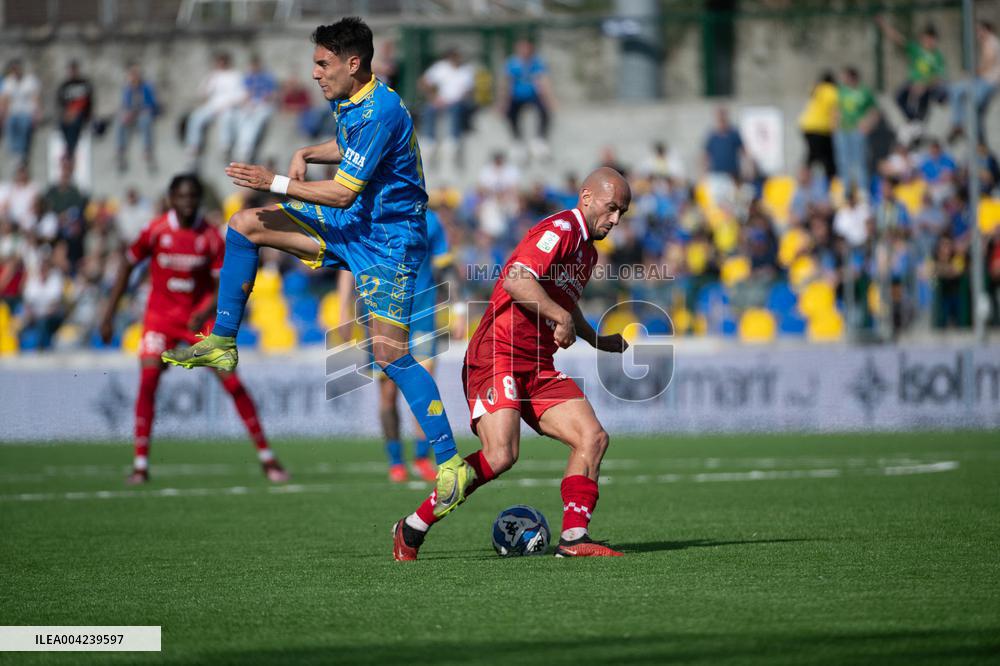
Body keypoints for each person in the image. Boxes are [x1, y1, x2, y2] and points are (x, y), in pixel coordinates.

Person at [160, 18, 475, 516]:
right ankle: (222, 341)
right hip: (353, 223)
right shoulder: (355, 101)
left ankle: (450, 461)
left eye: (322, 63)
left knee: (392, 357)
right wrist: (308, 150)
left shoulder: (381, 110)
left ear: (353, 63)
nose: (314, 74)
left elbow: (344, 188)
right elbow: (349, 154)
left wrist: (277, 180)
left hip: (389, 242)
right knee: (245, 225)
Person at [392, 167, 631, 561]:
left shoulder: (587, 250)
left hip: (538, 364)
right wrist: (560, 318)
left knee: (593, 438)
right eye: (611, 208)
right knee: (501, 453)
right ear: (586, 197)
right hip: (498, 352)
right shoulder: (561, 230)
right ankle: (412, 526)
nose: (615, 220)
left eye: (622, 212)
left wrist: (595, 338)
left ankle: (574, 537)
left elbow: (565, 303)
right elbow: (517, 280)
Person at [99, 174, 289, 485]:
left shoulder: (211, 237)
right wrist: (108, 313)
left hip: (198, 322)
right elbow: (127, 263)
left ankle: (268, 459)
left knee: (232, 383)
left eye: (192, 197)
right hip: (160, 320)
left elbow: (223, 283)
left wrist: (204, 310)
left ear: (198, 200)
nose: (186, 202)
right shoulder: (156, 230)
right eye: (181, 197)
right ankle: (140, 464)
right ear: (171, 199)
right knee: (148, 379)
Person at [337, 208, 452, 483]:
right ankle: (396, 460)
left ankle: (423, 457)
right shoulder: (368, 214)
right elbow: (348, 263)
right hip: (381, 316)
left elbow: (445, 265)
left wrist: (457, 309)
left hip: (422, 315)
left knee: (424, 382)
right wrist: (342, 309)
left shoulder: (431, 219)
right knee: (388, 393)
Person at [875, 17, 947, 135]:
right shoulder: (917, 50)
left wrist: (924, 84)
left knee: (922, 99)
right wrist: (884, 26)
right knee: (899, 97)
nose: (928, 42)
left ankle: (919, 123)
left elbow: (939, 76)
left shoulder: (937, 56)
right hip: (913, 82)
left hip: (927, 85)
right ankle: (912, 121)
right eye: (926, 39)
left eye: (931, 39)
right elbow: (899, 39)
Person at [498, 39, 555, 162]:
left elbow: (542, 81)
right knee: (510, 113)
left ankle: (540, 139)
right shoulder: (512, 63)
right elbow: (507, 83)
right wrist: (502, 102)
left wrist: (549, 99)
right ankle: (517, 141)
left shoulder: (537, 62)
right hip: (517, 97)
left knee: (544, 111)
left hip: (533, 95)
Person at [185, 52, 246, 166]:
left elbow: (241, 95)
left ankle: (225, 147)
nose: (220, 64)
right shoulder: (213, 76)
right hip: (213, 106)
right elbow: (202, 93)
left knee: (227, 118)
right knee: (196, 117)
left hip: (229, 106)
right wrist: (209, 80)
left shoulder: (236, 75)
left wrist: (228, 104)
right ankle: (193, 146)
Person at [419, 48, 475, 162]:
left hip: (458, 103)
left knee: (456, 109)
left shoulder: (466, 71)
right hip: (441, 101)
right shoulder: (440, 67)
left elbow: (468, 92)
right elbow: (423, 82)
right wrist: (433, 98)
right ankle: (429, 141)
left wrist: (452, 101)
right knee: (428, 109)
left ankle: (453, 141)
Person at [948, 20, 1000, 143]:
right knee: (960, 93)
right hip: (986, 81)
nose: (977, 34)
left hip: (988, 82)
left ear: (986, 30)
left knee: (959, 92)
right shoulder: (990, 43)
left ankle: (959, 125)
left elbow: (987, 65)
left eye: (979, 30)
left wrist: (971, 73)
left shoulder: (991, 43)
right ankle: (962, 127)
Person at [834, 67, 879, 195]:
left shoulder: (864, 92)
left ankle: (862, 190)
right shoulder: (841, 92)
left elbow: (874, 111)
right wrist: (835, 128)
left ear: (852, 77)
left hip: (857, 131)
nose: (842, 79)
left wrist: (868, 125)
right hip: (843, 131)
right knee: (843, 161)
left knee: (859, 162)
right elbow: (837, 109)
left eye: (845, 76)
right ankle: (846, 190)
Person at [231, 55, 278, 164]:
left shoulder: (268, 77)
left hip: (265, 105)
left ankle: (247, 152)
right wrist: (248, 102)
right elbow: (245, 94)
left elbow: (274, 94)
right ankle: (242, 150)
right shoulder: (248, 77)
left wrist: (264, 98)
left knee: (256, 123)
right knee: (242, 120)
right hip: (251, 105)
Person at [116, 62, 159, 173]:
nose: (134, 77)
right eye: (132, 74)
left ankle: (147, 150)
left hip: (144, 114)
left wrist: (138, 111)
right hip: (132, 115)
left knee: (145, 121)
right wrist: (126, 113)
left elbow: (152, 104)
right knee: (120, 123)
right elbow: (124, 105)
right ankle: (121, 151)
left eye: (136, 74)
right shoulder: (127, 89)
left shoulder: (147, 87)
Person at [798, 71, 838, 181]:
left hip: (806, 126)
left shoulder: (817, 89)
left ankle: (803, 178)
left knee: (811, 156)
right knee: (828, 158)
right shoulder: (831, 91)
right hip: (821, 128)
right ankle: (830, 181)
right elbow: (834, 111)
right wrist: (834, 128)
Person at [0, 59, 41, 166]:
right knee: (11, 124)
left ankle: (21, 153)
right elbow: (4, 100)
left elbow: (35, 98)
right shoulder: (8, 82)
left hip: (26, 113)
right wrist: (3, 116)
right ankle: (15, 152)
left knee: (24, 124)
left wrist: (36, 113)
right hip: (13, 114)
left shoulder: (30, 80)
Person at [56, 60, 94, 160]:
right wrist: (67, 113)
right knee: (63, 124)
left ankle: (70, 151)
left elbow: (88, 103)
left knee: (75, 124)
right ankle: (69, 149)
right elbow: (60, 104)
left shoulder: (84, 84)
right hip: (68, 114)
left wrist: (77, 112)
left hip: (81, 114)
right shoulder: (64, 86)